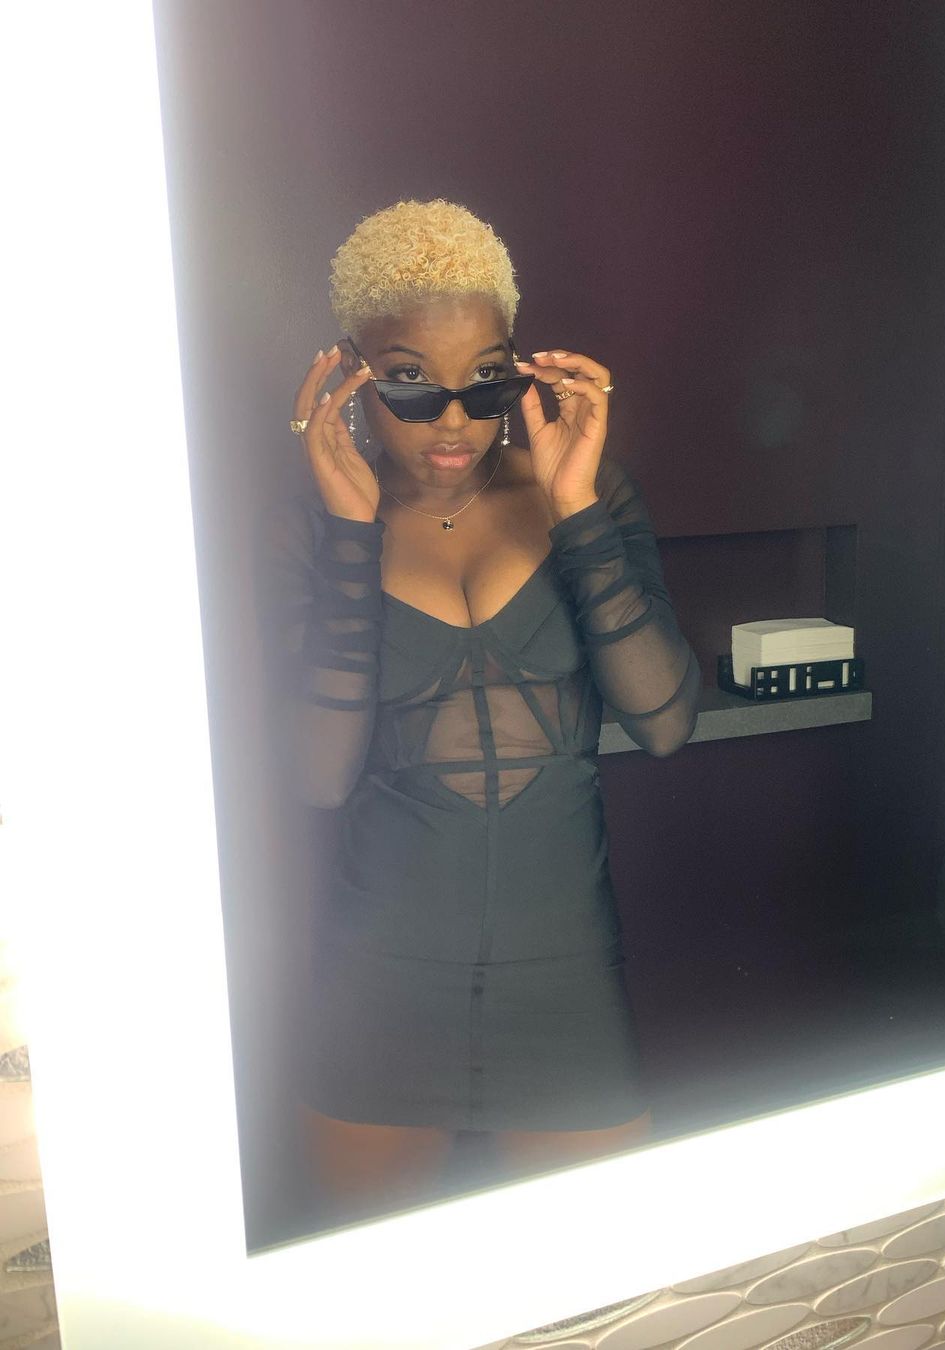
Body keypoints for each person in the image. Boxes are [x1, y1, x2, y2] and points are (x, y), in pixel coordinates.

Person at [260, 198, 701, 1221]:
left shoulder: (586, 493)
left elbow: (665, 721)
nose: (454, 422)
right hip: (378, 985)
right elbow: (318, 775)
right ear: (353, 375)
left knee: (597, 1287)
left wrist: (577, 508)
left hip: (565, 976)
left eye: (486, 382)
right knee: (372, 1290)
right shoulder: (312, 527)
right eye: (411, 385)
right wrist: (350, 536)